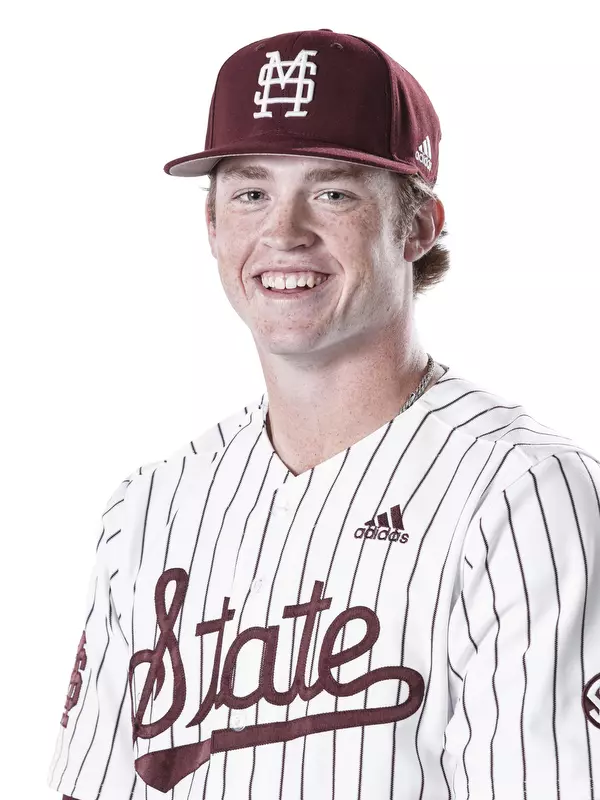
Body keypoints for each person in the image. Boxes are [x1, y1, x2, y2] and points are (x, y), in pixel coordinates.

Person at [47, 28, 600, 800]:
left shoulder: (521, 493)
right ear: (213, 228)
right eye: (251, 194)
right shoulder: (147, 509)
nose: (284, 232)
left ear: (417, 227)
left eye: (333, 193)